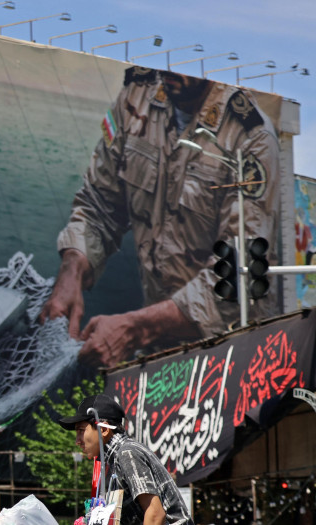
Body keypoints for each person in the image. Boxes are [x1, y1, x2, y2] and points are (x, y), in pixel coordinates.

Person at [39, 66, 279, 367]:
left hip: (232, 358)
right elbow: (99, 204)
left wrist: (135, 328)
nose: (168, 68)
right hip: (158, 355)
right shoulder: (137, 98)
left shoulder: (250, 136)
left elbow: (237, 277)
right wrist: (71, 270)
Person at [59, 394, 193, 525]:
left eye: (81, 431)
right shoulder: (114, 459)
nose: (77, 441)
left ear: (104, 429)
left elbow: (155, 514)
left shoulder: (127, 453)